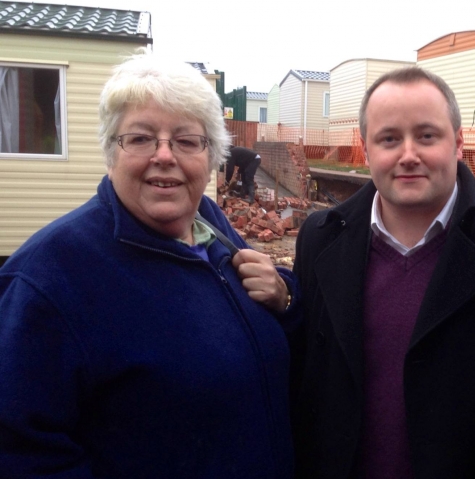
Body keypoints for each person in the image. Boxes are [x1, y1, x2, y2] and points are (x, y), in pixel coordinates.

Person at [0, 54, 298, 479]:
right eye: (140, 139)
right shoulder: (47, 278)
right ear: (110, 152)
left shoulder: (210, 223)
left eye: (186, 140)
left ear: (211, 154)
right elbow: (21, 453)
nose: (164, 155)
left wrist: (286, 297)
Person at [290, 67, 475, 479]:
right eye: (389, 139)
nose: (409, 154)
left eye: (427, 136)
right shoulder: (320, 239)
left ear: (458, 143)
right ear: (365, 149)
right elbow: (305, 377)